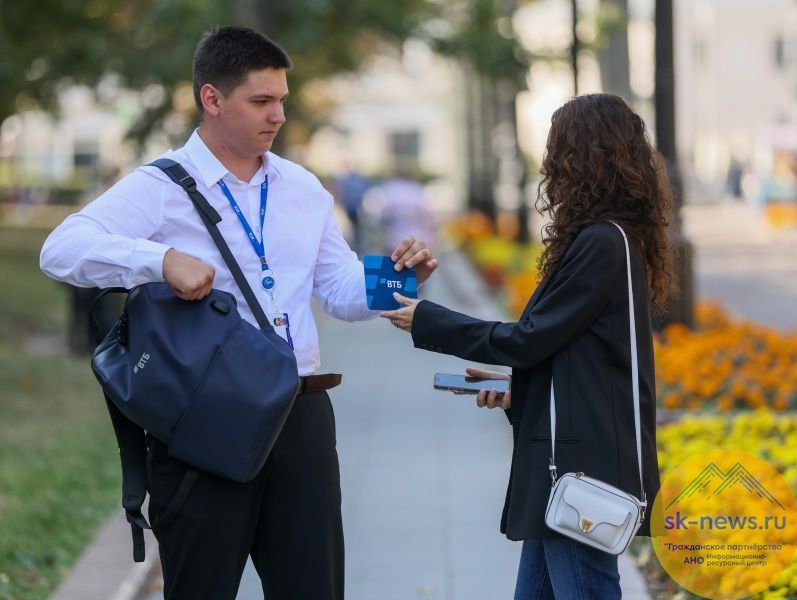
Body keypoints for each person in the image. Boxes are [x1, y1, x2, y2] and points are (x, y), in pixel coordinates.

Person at [39, 26, 438, 600]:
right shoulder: (161, 186)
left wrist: (397, 279)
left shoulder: (301, 187)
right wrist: (159, 260)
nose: (278, 115)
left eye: (281, 99)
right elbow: (60, 249)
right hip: (207, 420)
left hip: (301, 414)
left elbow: (336, 287)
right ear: (212, 98)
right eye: (261, 101)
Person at [381, 94, 673, 599]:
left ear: (587, 157)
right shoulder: (611, 240)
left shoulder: (602, 243)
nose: (545, 166)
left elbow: (531, 340)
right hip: (568, 468)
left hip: (579, 474)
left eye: (557, 151)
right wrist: (520, 390)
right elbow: (577, 353)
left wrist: (430, 320)